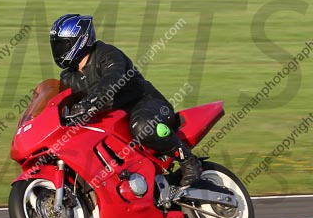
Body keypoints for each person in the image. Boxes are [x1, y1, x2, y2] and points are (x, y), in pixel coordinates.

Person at [49, 13, 202, 186]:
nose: (58, 51)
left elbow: (112, 79)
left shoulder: (107, 54)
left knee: (143, 127)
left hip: (145, 104)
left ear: (80, 40)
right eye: (56, 46)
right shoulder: (68, 77)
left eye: (63, 45)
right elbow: (60, 103)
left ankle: (190, 163)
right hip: (112, 122)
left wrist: (90, 101)